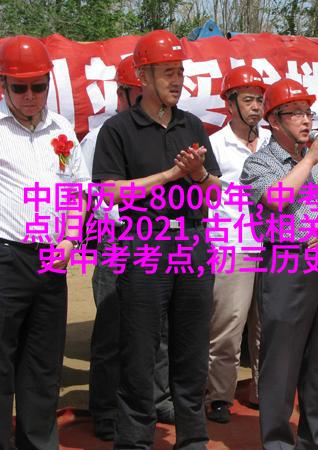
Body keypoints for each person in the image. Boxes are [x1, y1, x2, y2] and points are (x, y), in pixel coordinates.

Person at [92, 30, 221, 448]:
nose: (177, 80)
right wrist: (170, 175)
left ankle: (192, 439)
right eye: (167, 72)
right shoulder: (118, 129)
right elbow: (110, 192)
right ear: (143, 76)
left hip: (192, 244)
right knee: (139, 352)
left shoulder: (192, 125)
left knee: (191, 350)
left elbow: (215, 194)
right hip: (144, 245)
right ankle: (134, 441)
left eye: (180, 72)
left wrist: (198, 175)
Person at [240, 78, 318, 450]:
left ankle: (315, 436)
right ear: (273, 120)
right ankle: (277, 442)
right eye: (295, 113)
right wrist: (309, 159)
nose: (306, 120)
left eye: (308, 112)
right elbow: (277, 198)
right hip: (286, 263)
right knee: (281, 360)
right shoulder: (260, 162)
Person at [0, 35, 90, 449]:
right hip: (6, 257)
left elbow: (77, 190)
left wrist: (71, 239)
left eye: (38, 86)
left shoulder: (62, 129)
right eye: (20, 87)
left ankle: (38, 443)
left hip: (53, 260)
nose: (30, 96)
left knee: (42, 363)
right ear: (3, 84)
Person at [82, 55, 174, 441]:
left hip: (161, 240)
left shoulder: (164, 131)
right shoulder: (102, 136)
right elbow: (87, 194)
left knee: (159, 327)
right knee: (113, 327)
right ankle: (105, 409)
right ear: (123, 94)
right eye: (139, 93)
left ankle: (158, 397)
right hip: (118, 241)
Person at [205, 65, 269, 423]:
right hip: (232, 245)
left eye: (259, 99)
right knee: (228, 327)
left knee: (268, 325)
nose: (256, 107)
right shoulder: (215, 146)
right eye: (247, 100)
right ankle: (219, 396)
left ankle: (263, 389)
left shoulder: (274, 141)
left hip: (274, 245)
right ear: (230, 104)